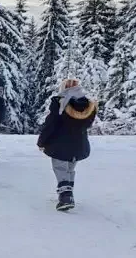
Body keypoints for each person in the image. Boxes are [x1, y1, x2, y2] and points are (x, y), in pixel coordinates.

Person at [37, 79, 97, 211]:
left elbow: (51, 124)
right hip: (78, 144)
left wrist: (42, 141)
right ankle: (68, 194)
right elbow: (88, 124)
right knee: (69, 169)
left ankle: (65, 197)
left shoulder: (61, 102)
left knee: (60, 169)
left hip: (60, 144)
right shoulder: (88, 104)